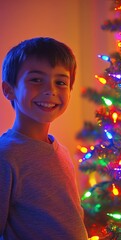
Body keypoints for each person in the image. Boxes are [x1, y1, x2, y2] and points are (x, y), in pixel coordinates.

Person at [0, 37, 88, 240]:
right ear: (9, 90)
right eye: (36, 80)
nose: (51, 90)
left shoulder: (61, 151)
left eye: (61, 82)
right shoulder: (5, 156)